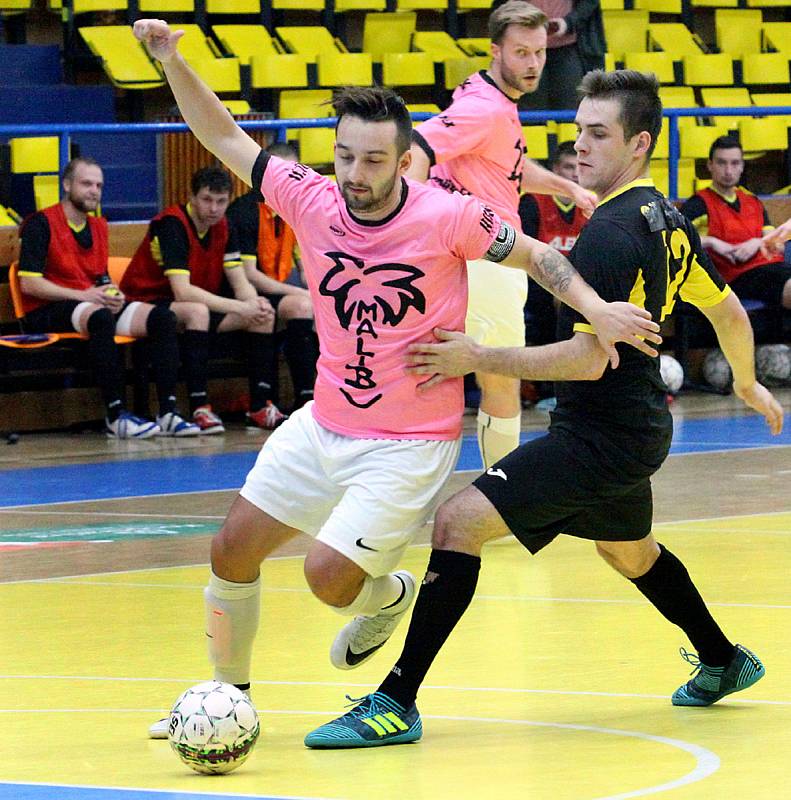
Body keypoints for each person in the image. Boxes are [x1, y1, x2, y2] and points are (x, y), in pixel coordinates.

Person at [133, 20, 660, 740]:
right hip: (323, 421)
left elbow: (538, 257)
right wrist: (171, 61)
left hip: (406, 442)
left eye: (373, 159)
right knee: (230, 550)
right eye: (344, 155)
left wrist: (596, 308)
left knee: (327, 581)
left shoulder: (446, 215)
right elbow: (224, 135)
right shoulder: (310, 197)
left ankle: (387, 594)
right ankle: (224, 698)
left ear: (405, 159)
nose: (354, 172)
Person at [305, 70, 785, 749]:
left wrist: (478, 357)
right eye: (577, 130)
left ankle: (395, 700)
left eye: (597, 133)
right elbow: (727, 309)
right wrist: (743, 381)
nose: (579, 146)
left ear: (638, 142)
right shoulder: (667, 215)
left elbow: (586, 360)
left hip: (601, 433)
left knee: (457, 522)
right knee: (629, 551)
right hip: (636, 424)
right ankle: (721, 659)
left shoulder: (608, 238)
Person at [408, 1, 598, 469]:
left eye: (538, 53)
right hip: (486, 254)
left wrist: (563, 184)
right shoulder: (484, 108)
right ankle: (501, 490)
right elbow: (415, 147)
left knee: (432, 369)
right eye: (521, 53)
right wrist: (407, 217)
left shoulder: (484, 95)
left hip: (471, 250)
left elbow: (504, 168)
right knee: (499, 375)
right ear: (497, 50)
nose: (533, 63)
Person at [18, 156, 199, 439]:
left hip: (88, 303)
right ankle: (115, 416)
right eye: (86, 183)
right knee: (100, 317)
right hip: (46, 308)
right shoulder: (40, 224)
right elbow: (29, 283)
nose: (94, 190)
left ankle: (167, 413)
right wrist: (84, 295)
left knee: (163, 317)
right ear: (66, 185)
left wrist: (112, 294)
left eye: (99, 185)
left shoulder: (99, 226)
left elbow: (99, 276)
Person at [121, 166, 287, 433]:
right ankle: (200, 407)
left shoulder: (224, 225)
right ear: (193, 197)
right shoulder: (172, 224)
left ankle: (259, 406)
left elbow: (239, 280)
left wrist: (254, 303)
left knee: (262, 315)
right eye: (207, 200)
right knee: (197, 311)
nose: (214, 208)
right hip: (149, 301)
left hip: (199, 304)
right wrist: (240, 306)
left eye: (221, 202)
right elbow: (182, 291)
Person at [226, 142, 318, 412]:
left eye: (293, 171)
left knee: (307, 307)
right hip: (243, 290)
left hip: (281, 290)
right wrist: (304, 293)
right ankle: (261, 402)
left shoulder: (296, 209)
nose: (287, 178)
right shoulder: (244, 211)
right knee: (295, 304)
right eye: (280, 170)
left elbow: (302, 260)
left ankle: (306, 399)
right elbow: (250, 276)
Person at [681, 136, 791, 313]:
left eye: (734, 163)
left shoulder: (752, 201)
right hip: (736, 276)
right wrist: (710, 241)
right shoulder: (699, 204)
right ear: (710, 165)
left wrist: (757, 243)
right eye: (722, 163)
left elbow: (776, 243)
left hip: (772, 267)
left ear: (742, 166)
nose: (728, 170)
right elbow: (675, 240)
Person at [519, 140, 587, 404]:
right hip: (537, 286)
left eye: (578, 167)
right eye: (568, 167)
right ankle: (542, 387)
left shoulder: (589, 206)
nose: (574, 174)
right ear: (555, 169)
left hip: (573, 286)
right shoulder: (533, 203)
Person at [494, 0, 606, 111]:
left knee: (570, 112)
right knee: (531, 114)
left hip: (568, 47)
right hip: (525, 49)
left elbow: (589, 3)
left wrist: (568, 23)